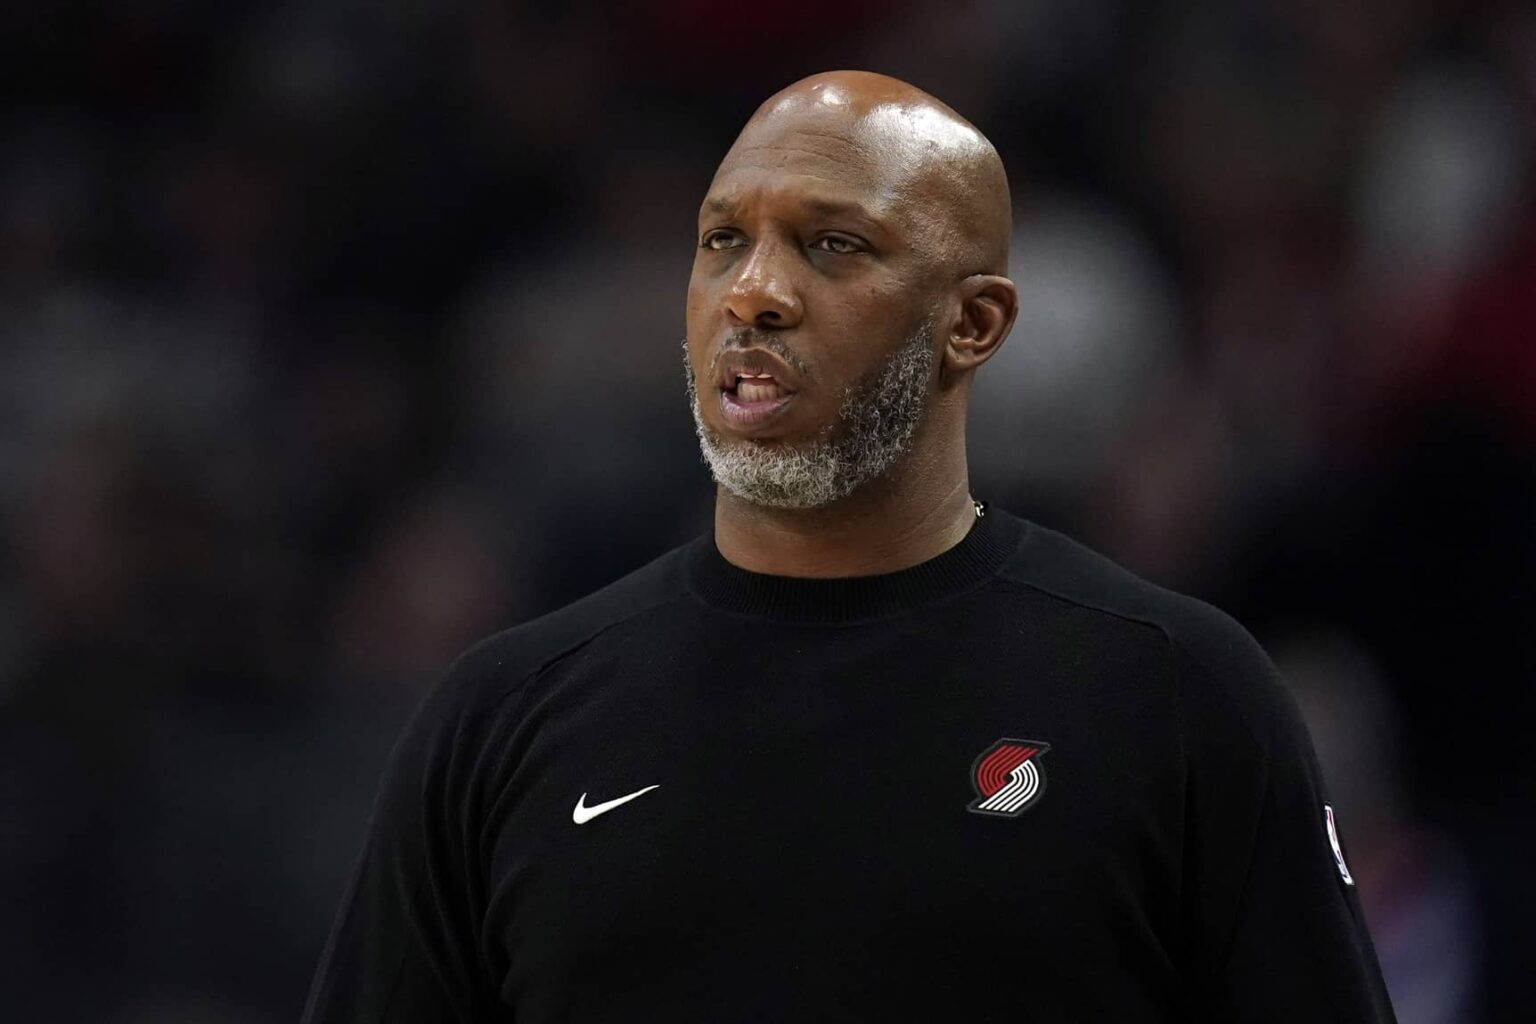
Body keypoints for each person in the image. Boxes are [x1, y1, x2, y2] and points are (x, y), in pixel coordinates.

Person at [303, 71, 1398, 1022]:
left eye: (833, 245)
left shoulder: (1177, 694)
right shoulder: (499, 722)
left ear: (971, 323)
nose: (754, 293)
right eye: (723, 240)